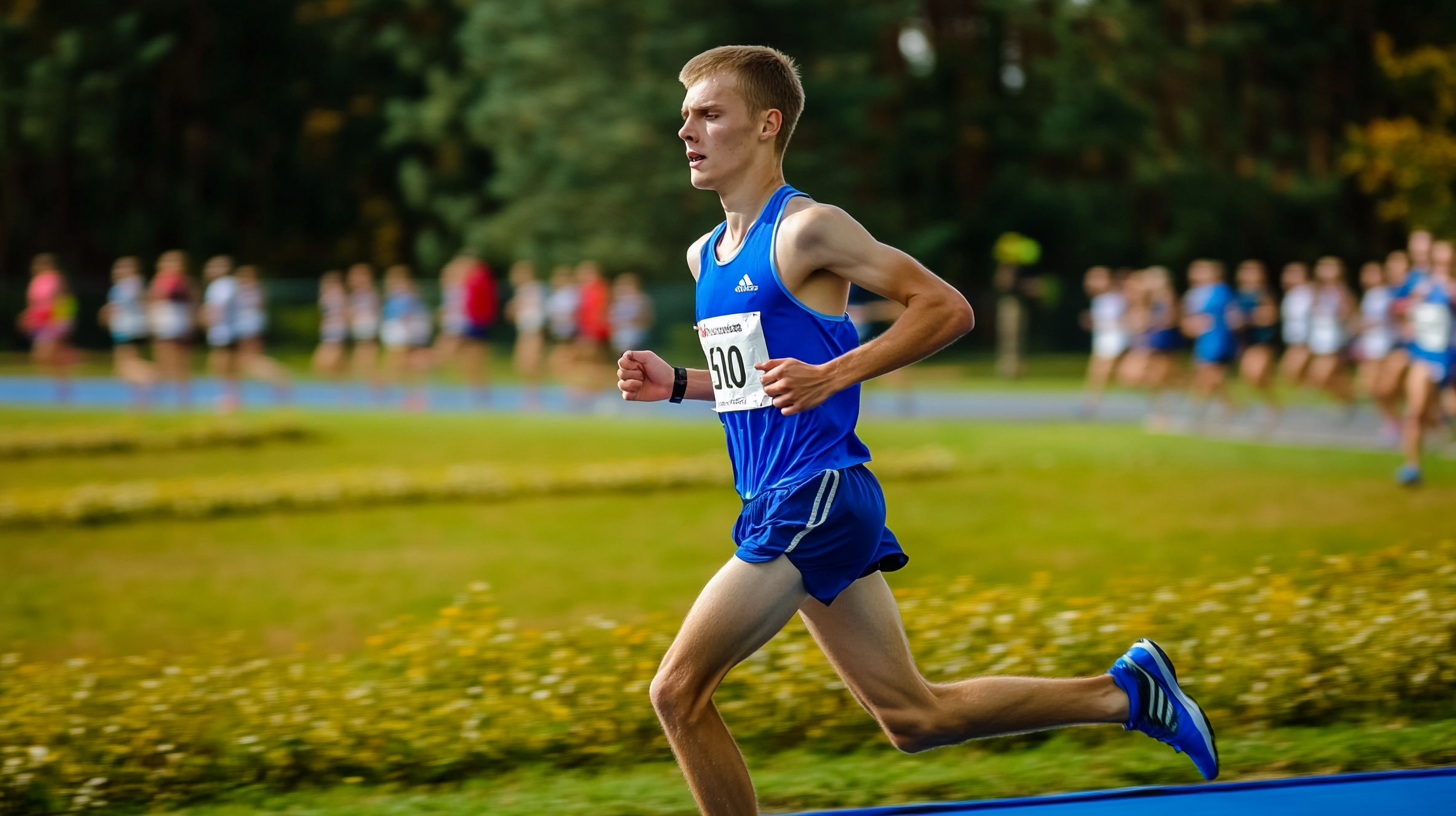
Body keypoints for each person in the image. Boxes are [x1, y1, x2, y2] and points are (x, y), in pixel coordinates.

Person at [615, 45, 1218, 816]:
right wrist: (679, 386)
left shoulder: (806, 231)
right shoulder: (705, 256)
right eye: (685, 117)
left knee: (676, 693)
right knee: (913, 718)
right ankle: (1126, 695)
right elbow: (763, 386)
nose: (687, 131)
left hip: (817, 497)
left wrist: (836, 374)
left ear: (767, 125)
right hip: (785, 497)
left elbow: (946, 307)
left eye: (709, 114)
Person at [1396, 239, 1454, 486]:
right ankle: (1412, 467)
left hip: (1450, 358)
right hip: (1424, 355)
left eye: (1447, 260)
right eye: (1438, 260)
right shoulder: (1420, 284)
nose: (1442, 264)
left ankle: (1442, 430)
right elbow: (1398, 306)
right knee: (1416, 411)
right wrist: (1406, 323)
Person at [1181, 259, 1240, 424]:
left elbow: (1231, 314)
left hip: (1218, 335)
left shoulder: (1221, 290)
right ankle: (1228, 404)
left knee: (1209, 370)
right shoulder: (1195, 292)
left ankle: (1198, 405)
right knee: (1206, 372)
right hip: (1204, 337)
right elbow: (1190, 317)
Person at [19, 253, 78, 402]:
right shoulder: (36, 282)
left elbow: (63, 300)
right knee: (48, 357)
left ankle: (64, 386)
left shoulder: (55, 279)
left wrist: (62, 320)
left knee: (43, 353)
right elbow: (34, 304)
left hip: (52, 322)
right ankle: (63, 388)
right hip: (41, 323)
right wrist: (28, 317)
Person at [100, 256, 156, 405]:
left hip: (128, 329)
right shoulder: (133, 285)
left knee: (123, 366)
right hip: (133, 328)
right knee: (130, 365)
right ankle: (140, 399)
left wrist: (107, 312)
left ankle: (153, 374)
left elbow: (119, 307)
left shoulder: (128, 285)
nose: (119, 271)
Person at [1354, 260, 1398, 441]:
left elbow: (1391, 319)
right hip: (1371, 348)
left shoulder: (1388, 294)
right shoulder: (1370, 295)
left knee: (1384, 388)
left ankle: (1394, 421)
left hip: (1386, 347)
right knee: (1372, 388)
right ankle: (1391, 420)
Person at [1304, 256, 1356, 409]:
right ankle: (1346, 395)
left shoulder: (1342, 291)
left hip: (1336, 342)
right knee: (1319, 378)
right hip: (1318, 341)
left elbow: (1349, 314)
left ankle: (1348, 396)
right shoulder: (1315, 291)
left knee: (1321, 377)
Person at [1372, 249, 1414, 435]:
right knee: (1380, 390)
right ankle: (1396, 423)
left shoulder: (1416, 288)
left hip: (1407, 348)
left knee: (1387, 388)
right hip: (1385, 347)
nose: (1395, 268)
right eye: (1392, 264)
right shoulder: (1385, 291)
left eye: (1400, 264)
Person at [233, 265, 289, 402]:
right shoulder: (253, 291)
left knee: (250, 361)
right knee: (244, 363)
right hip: (249, 329)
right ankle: (237, 396)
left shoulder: (252, 291)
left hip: (250, 330)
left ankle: (279, 376)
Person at [1233, 260, 1280, 422]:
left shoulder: (1264, 294)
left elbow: (1271, 316)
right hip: (1248, 341)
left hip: (1264, 340)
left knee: (1257, 374)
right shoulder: (1240, 294)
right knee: (1249, 377)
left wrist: (1247, 319)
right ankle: (1271, 403)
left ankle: (1272, 405)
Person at [148, 250, 197, 407]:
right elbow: (151, 303)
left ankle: (183, 398)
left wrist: (191, 322)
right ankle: (160, 396)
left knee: (181, 363)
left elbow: (193, 304)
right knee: (163, 361)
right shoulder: (158, 282)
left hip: (180, 325)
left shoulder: (186, 282)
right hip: (163, 325)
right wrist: (152, 322)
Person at [380, 264, 432, 411]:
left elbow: (405, 316)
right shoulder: (399, 296)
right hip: (405, 335)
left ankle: (406, 395)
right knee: (407, 367)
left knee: (403, 365)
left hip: (405, 336)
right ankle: (412, 396)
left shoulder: (405, 295)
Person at [1080, 266, 1128, 418]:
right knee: (1100, 375)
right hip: (1104, 341)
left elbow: (1120, 322)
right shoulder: (1100, 299)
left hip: (1113, 342)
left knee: (1102, 374)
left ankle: (1091, 407)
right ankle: (1090, 406)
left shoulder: (1115, 298)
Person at [1140, 265, 1182, 429]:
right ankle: (1161, 410)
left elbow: (1170, 319)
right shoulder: (1152, 298)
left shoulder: (1167, 296)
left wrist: (1150, 321)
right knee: (1155, 377)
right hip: (1155, 339)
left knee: (1160, 377)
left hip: (1165, 340)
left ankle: (1163, 413)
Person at [201, 255, 241, 412]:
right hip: (227, 331)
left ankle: (227, 398)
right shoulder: (228, 284)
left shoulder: (222, 285)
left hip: (223, 332)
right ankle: (231, 398)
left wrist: (204, 322)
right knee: (226, 367)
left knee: (220, 366)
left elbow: (216, 309)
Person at [506, 260, 547, 409]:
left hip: (533, 332)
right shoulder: (522, 291)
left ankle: (534, 397)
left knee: (531, 364)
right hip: (524, 331)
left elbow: (538, 313)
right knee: (522, 364)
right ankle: (529, 395)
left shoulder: (536, 289)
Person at [347, 263, 383, 400]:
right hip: (360, 335)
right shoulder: (356, 295)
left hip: (368, 336)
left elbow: (372, 315)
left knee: (367, 366)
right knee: (362, 366)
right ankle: (376, 393)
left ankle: (379, 394)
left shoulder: (370, 294)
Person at [1278, 261, 1314, 387]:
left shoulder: (1311, 292)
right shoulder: (1290, 294)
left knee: (1292, 372)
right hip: (1292, 341)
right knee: (1288, 374)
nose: (1288, 276)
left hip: (1305, 342)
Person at [313, 271, 349, 380]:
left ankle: (343, 384)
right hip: (328, 331)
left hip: (336, 331)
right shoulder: (325, 296)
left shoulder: (338, 295)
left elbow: (345, 313)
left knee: (327, 362)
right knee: (333, 363)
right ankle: (343, 385)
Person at [609, 273, 655, 355]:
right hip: (620, 335)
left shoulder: (641, 300)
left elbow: (647, 318)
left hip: (636, 335)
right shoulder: (616, 301)